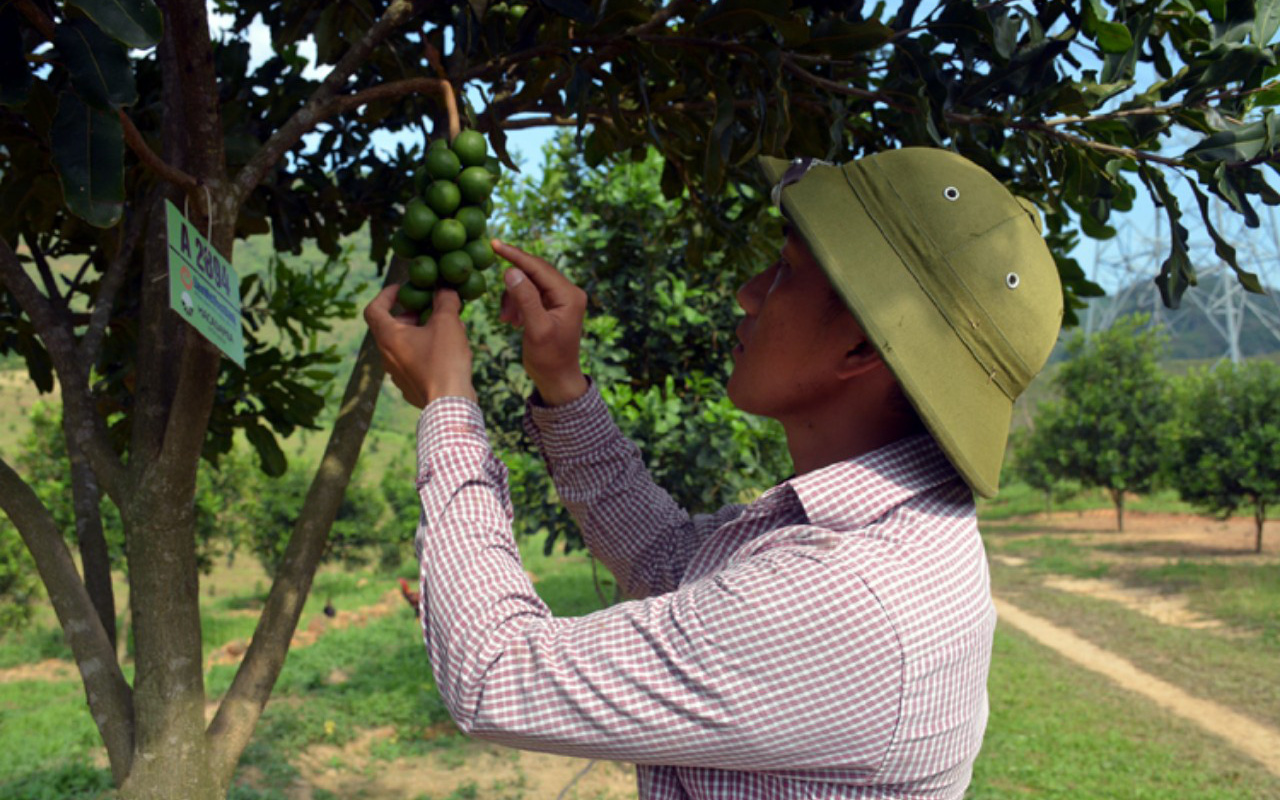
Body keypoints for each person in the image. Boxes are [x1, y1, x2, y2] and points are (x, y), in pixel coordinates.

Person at [363, 147, 1063, 799]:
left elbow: (496, 675)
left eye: (785, 271)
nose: (748, 292)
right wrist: (561, 382)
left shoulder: (849, 593)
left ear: (860, 345)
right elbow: (670, 562)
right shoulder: (875, 526)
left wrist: (448, 406)